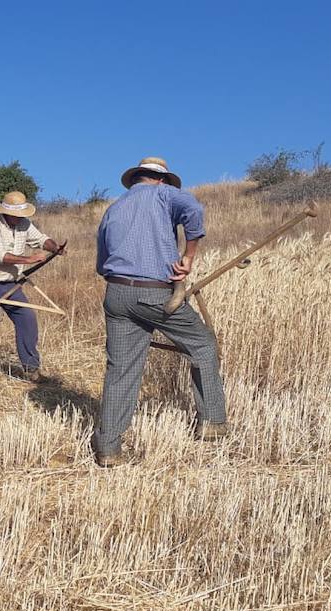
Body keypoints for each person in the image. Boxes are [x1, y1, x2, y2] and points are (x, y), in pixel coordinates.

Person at [92, 157, 228, 467]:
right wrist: (189, 256)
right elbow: (194, 209)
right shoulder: (164, 194)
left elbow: (102, 264)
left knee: (121, 370)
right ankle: (213, 425)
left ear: (136, 178)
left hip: (116, 294)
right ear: (161, 180)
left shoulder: (113, 208)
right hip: (155, 293)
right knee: (203, 346)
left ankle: (108, 448)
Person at [0, 191, 63, 391]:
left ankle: (31, 369)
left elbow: (40, 239)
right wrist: (28, 260)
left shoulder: (24, 224)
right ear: (6, 213)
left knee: (27, 319)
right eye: (17, 214)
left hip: (11, 284)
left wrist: (54, 247)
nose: (21, 218)